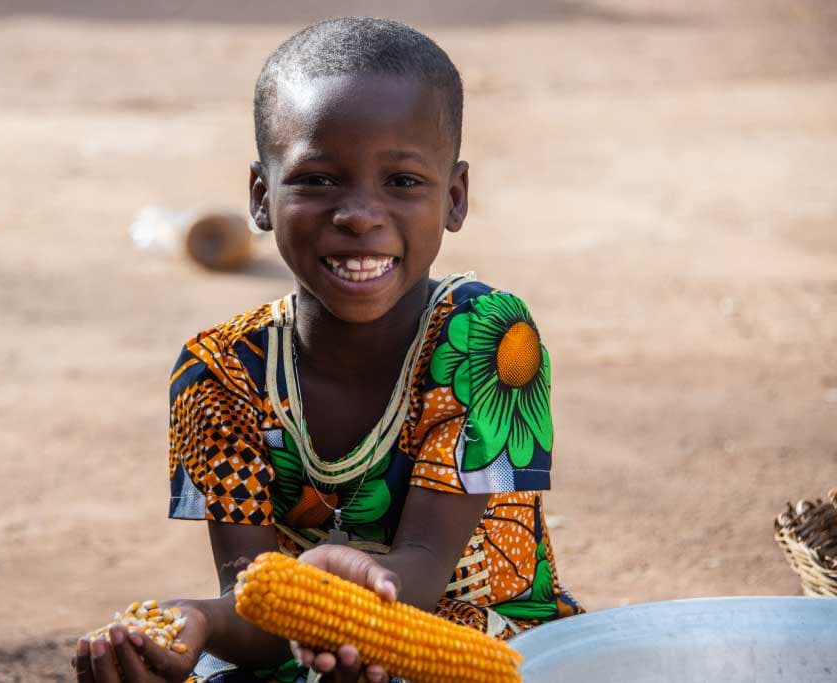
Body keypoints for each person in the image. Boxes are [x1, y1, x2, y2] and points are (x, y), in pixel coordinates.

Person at [74, 16, 582, 683]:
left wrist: (340, 588)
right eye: (317, 179)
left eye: (402, 181)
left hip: (485, 648)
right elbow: (255, 610)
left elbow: (423, 570)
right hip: (309, 658)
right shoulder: (219, 375)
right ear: (261, 196)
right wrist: (194, 619)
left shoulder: (485, 335)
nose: (360, 214)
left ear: (455, 198)